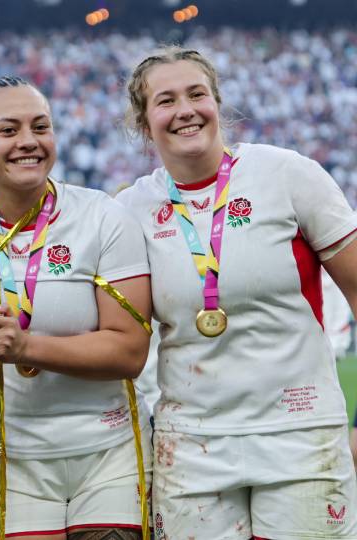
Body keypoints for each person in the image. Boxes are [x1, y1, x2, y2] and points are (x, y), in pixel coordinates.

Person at [115, 46, 357, 539]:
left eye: (197, 94)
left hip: (301, 433)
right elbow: (117, 336)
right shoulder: (130, 209)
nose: (185, 110)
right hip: (191, 446)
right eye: (166, 100)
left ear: (217, 104)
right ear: (143, 123)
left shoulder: (288, 175)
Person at [0, 76, 153, 540]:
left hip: (106, 449)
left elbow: (130, 351)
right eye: (8, 130)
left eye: (41, 127)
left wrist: (27, 347)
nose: (28, 141)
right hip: (6, 458)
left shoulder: (102, 216)